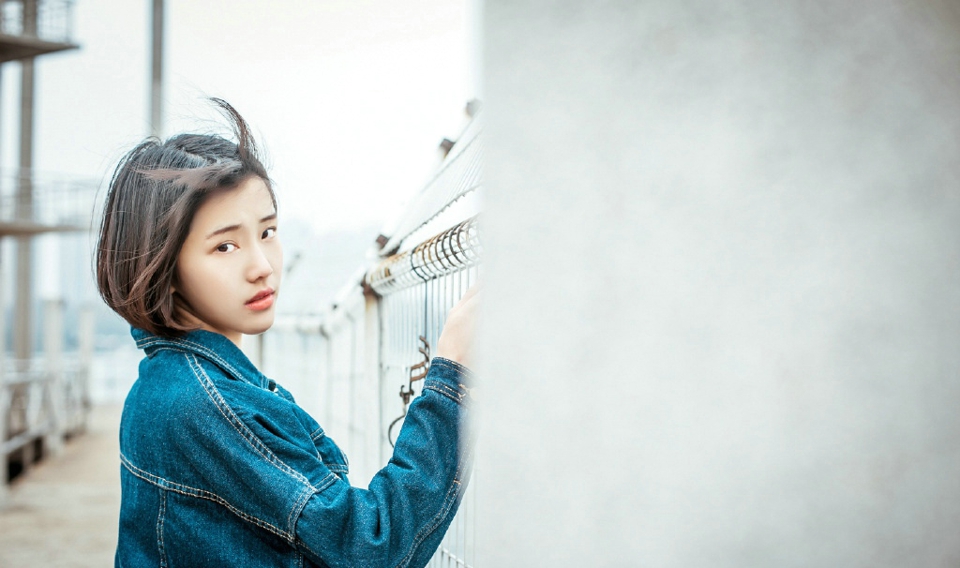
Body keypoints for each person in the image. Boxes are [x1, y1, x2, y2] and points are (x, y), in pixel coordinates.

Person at [96, 99, 478, 567]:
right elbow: (372, 547)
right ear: (164, 266)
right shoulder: (207, 406)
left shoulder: (168, 383)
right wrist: (454, 370)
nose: (261, 266)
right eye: (225, 245)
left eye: (269, 231)